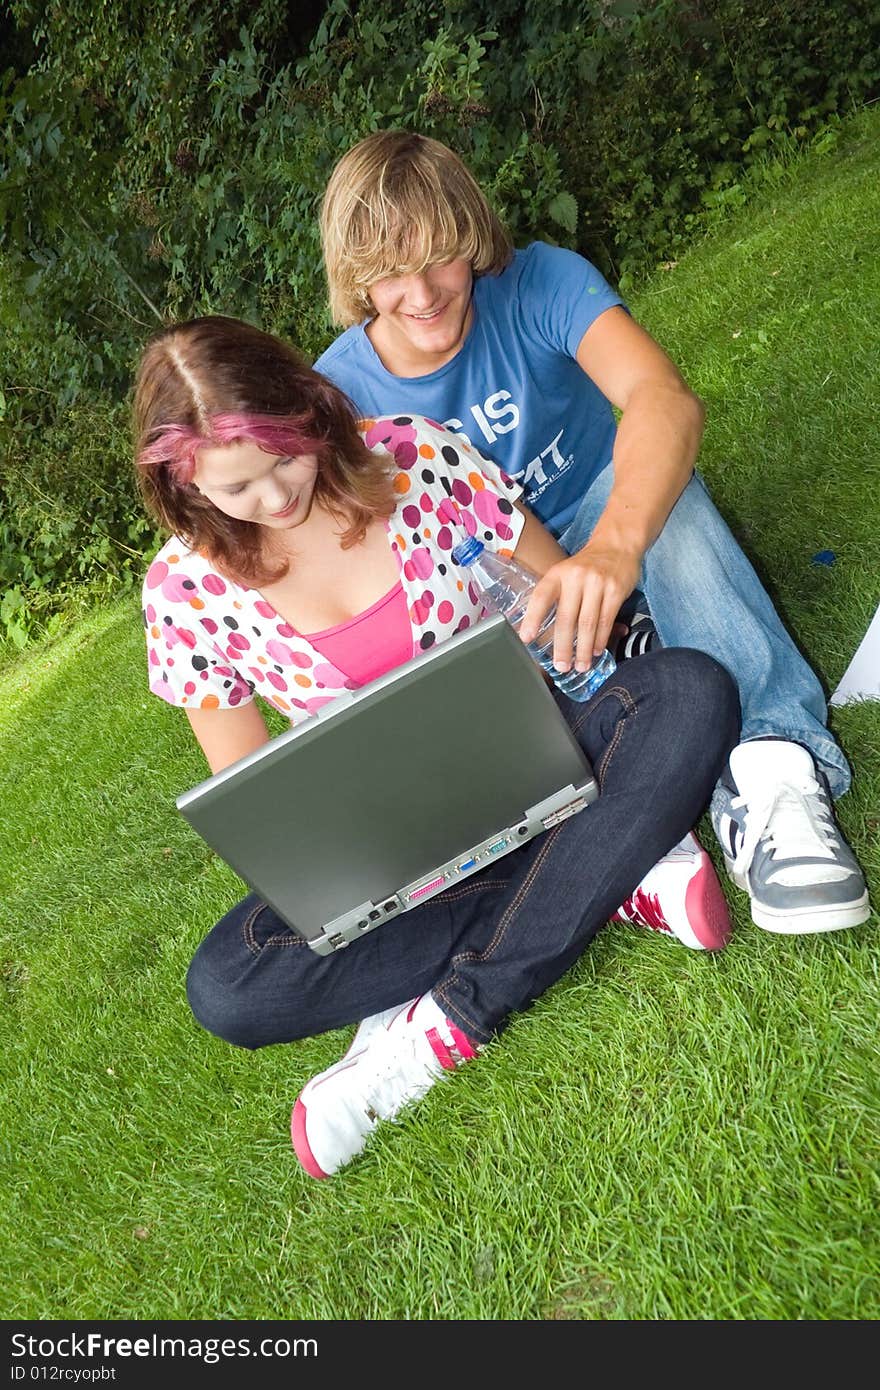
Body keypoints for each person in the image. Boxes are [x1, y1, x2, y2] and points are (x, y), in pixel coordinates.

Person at [134, 315, 740, 1178]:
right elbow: (252, 790)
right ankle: (605, 875)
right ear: (184, 484)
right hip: (398, 862)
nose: (275, 498)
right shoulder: (181, 591)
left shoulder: (416, 456)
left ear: (310, 412)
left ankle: (451, 1016)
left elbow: (560, 604)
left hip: (551, 757)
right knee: (230, 987)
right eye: (238, 488)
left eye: (284, 460)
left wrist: (555, 625)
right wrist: (343, 855)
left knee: (688, 692)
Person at [313, 129, 871, 938]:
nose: (423, 292)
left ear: (472, 237)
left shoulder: (540, 281)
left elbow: (663, 401)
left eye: (439, 258)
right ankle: (662, 740)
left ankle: (777, 770)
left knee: (663, 493)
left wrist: (612, 547)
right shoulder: (338, 394)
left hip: (606, 510)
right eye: (390, 275)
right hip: (492, 580)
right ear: (355, 278)